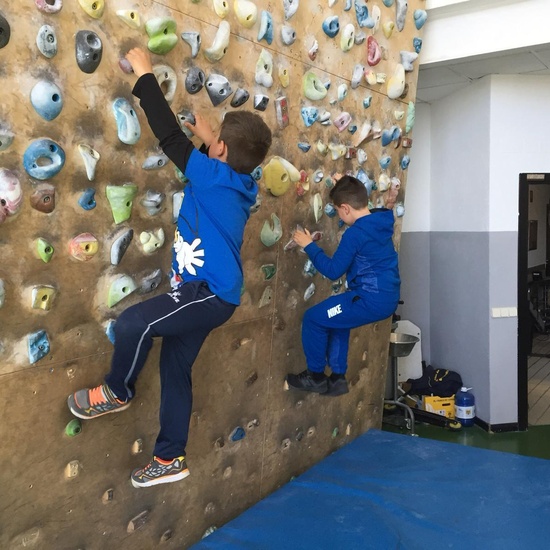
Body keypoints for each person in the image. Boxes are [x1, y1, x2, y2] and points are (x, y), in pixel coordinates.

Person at [67, 48, 272, 488]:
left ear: (219, 150)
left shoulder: (214, 176)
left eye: (215, 140)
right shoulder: (238, 179)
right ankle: (169, 459)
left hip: (207, 293)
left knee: (133, 324)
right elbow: (204, 156)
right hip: (211, 292)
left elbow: (169, 138)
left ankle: (117, 390)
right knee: (174, 369)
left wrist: (145, 75)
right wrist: (207, 138)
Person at [286, 174, 400, 397]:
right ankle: (338, 378)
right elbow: (383, 208)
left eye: (338, 210)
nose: (338, 214)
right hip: (385, 298)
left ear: (346, 208)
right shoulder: (382, 221)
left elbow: (332, 271)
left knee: (313, 318)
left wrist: (309, 245)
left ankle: (316, 377)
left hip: (368, 300)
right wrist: (346, 182)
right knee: (338, 318)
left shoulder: (355, 234)